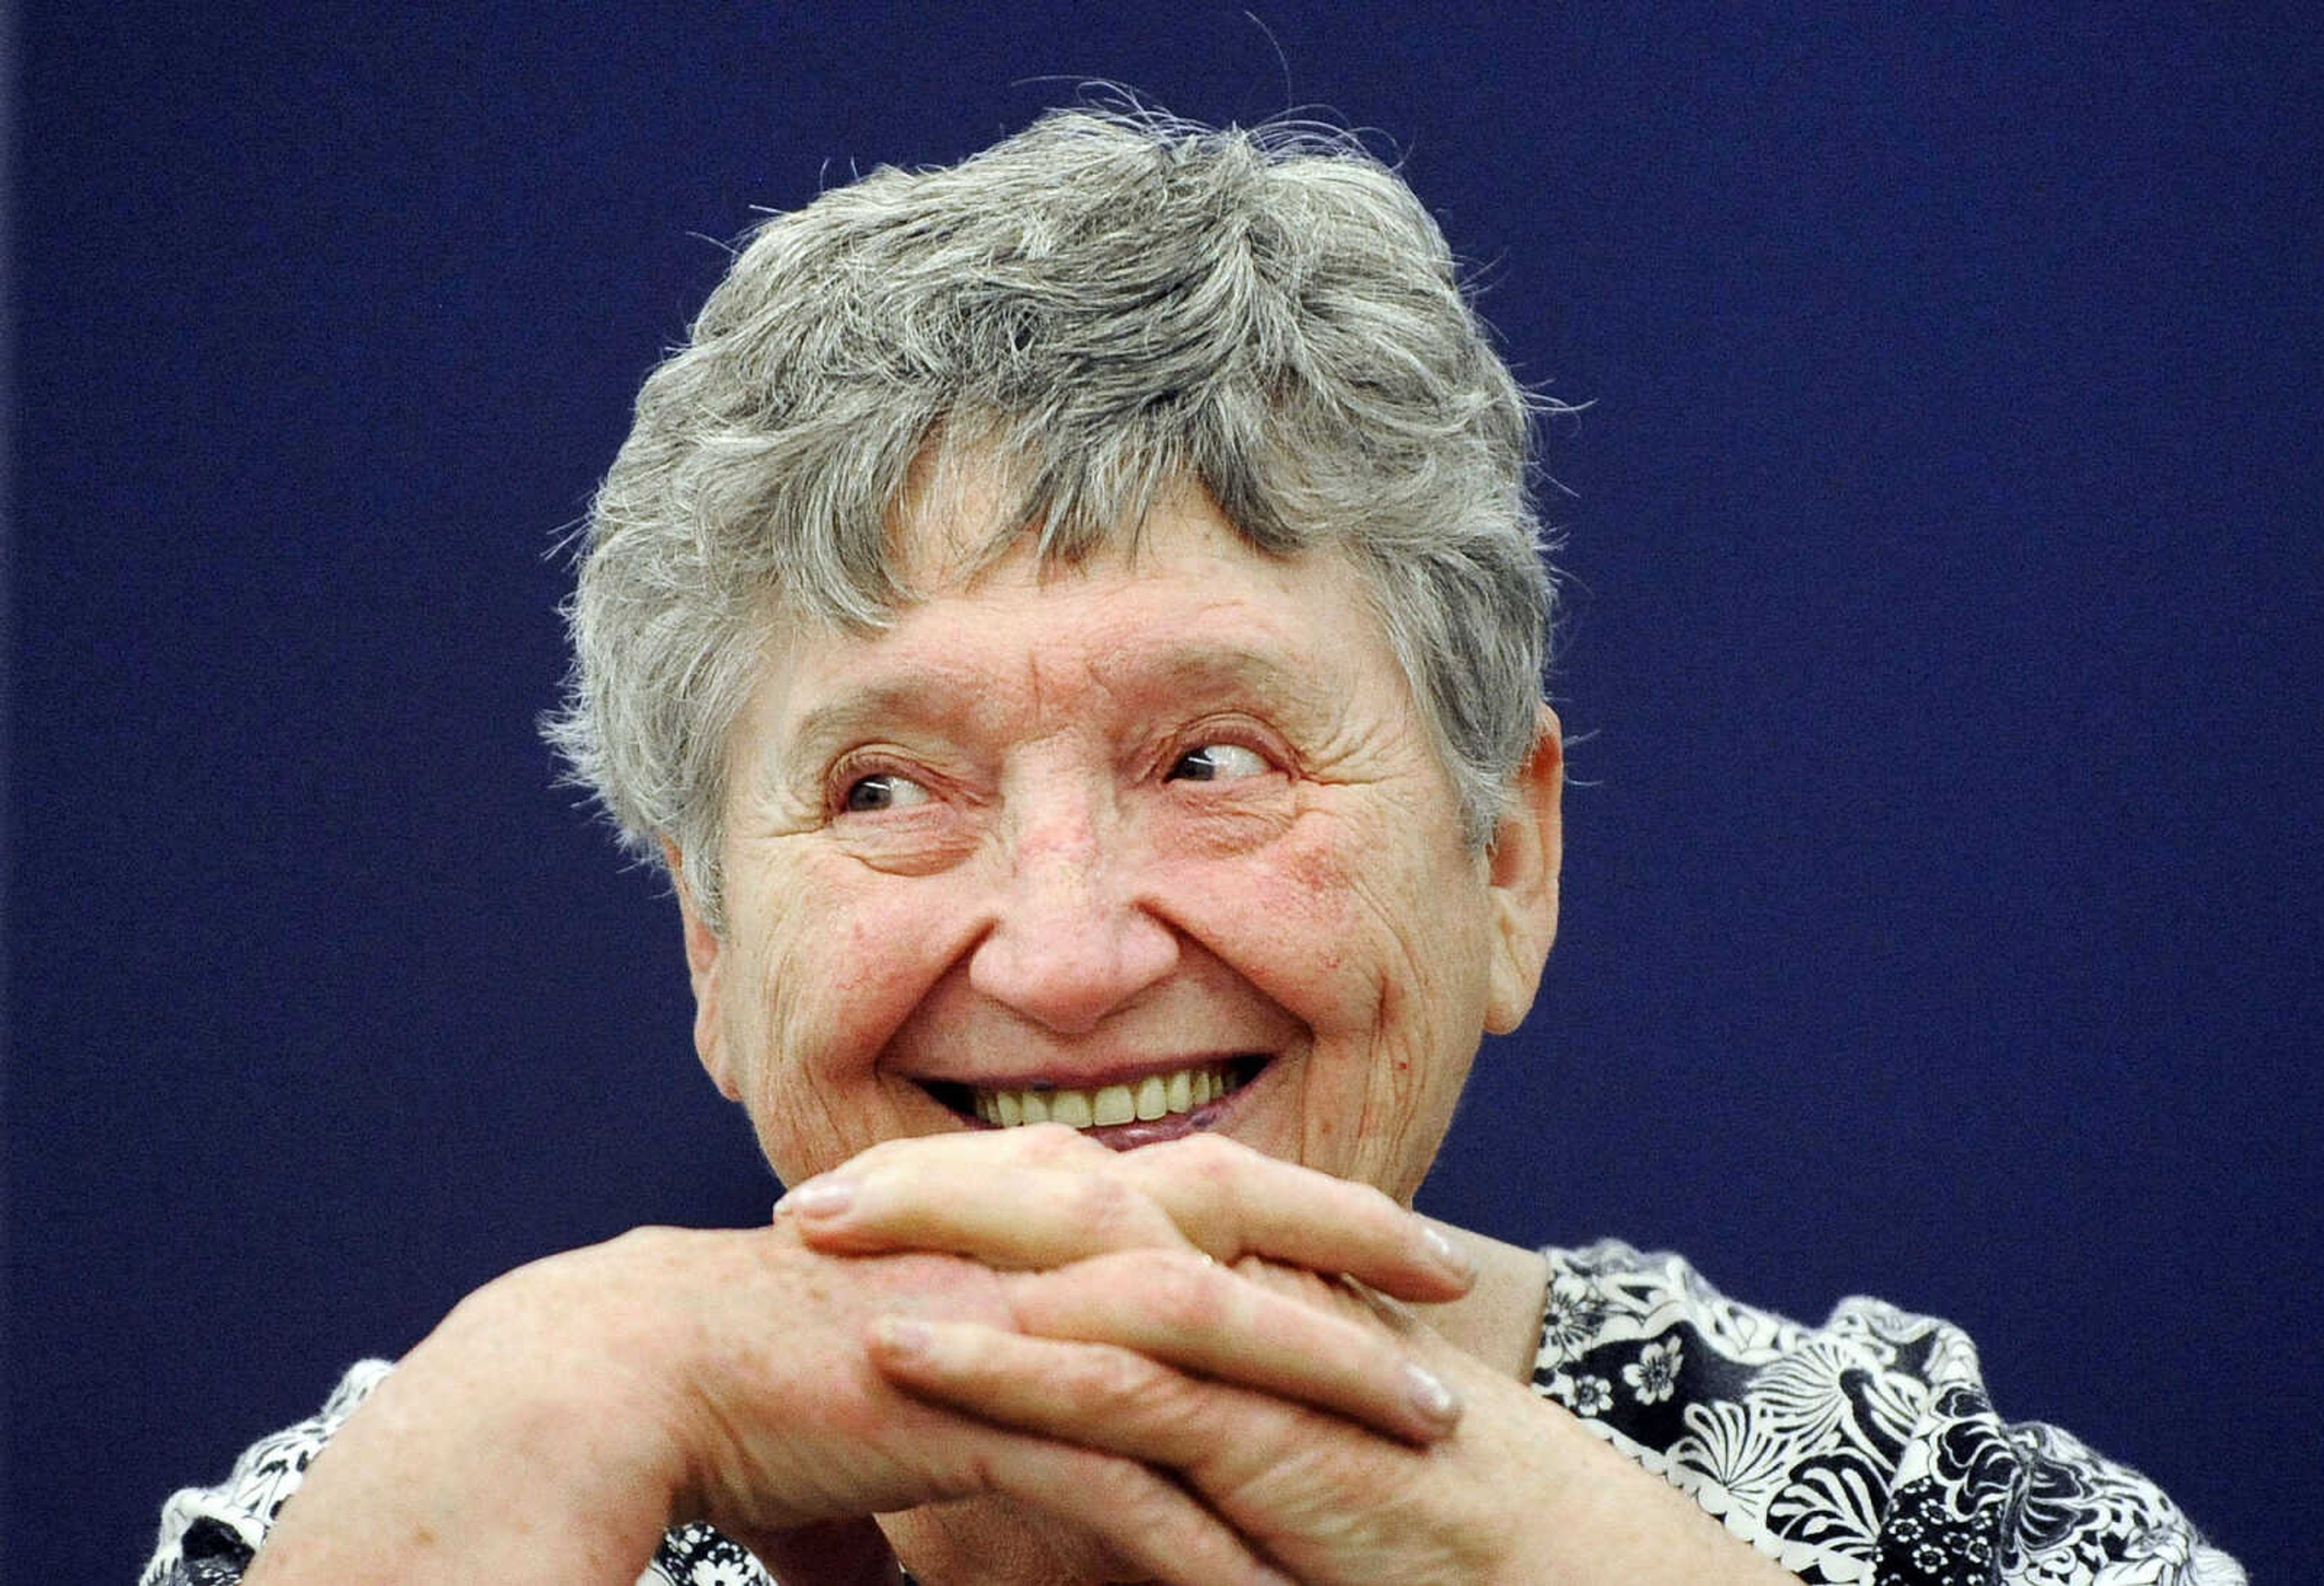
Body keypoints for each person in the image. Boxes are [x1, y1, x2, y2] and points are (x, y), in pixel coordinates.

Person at [143, 106, 2240, 1586]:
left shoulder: (1930, 1526)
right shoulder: (425, 1500)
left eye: (1217, 757)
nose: (1060, 959)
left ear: (1504, 863)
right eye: (886, 791)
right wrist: (542, 1406)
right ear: (710, 942)